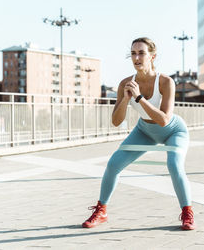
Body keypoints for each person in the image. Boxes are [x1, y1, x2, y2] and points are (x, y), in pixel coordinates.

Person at [82, 37, 195, 230]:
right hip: (145, 131)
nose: (136, 57)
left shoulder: (166, 82)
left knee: (174, 165)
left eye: (141, 53)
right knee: (113, 164)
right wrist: (126, 99)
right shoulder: (125, 83)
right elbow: (116, 121)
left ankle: (187, 213)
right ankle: (101, 211)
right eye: (133, 53)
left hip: (173, 131)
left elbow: (164, 120)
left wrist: (139, 98)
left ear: (152, 56)